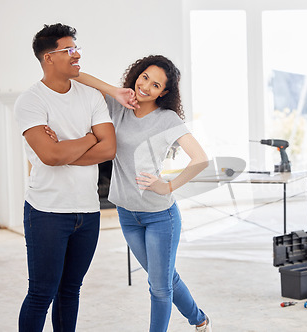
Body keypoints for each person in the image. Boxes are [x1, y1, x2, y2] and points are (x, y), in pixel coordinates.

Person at [67, 55, 211, 332]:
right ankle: (200, 320)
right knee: (165, 279)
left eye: (156, 85)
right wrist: (115, 91)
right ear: (136, 74)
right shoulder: (117, 107)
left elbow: (200, 158)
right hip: (127, 214)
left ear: (164, 93)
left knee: (158, 287)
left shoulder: (166, 119)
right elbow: (77, 76)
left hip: (160, 217)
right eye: (144, 77)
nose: (146, 86)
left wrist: (168, 186)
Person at [13, 23, 116, 331]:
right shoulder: (30, 101)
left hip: (88, 211)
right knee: (41, 293)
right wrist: (88, 138)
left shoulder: (92, 96)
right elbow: (50, 156)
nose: (77, 54)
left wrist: (65, 148)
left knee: (70, 291)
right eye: (69, 50)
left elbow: (109, 148)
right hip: (46, 212)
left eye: (76, 48)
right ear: (49, 58)